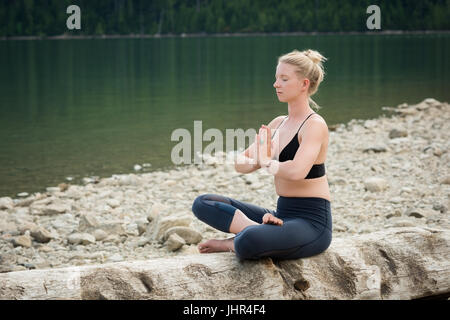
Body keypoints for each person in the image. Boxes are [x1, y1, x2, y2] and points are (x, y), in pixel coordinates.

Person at [191, 49, 332, 261]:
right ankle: (256, 228)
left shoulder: (314, 125)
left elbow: (296, 171)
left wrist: (267, 163)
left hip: (312, 223)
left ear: (304, 84)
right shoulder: (278, 123)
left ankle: (240, 240)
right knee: (203, 203)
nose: (276, 84)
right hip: (281, 214)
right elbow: (240, 163)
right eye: (276, 78)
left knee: (250, 242)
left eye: (284, 79)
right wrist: (258, 160)